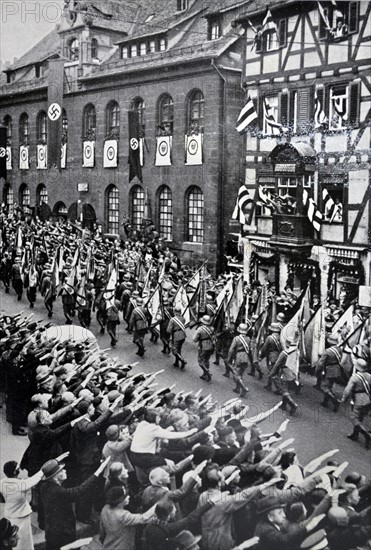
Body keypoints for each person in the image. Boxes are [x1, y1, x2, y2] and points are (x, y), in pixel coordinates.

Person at [39, 456, 110, 550]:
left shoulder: (44, 487)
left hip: (51, 532)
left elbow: (41, 510)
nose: (65, 471)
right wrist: (98, 471)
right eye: (61, 471)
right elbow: (79, 491)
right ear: (55, 477)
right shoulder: (58, 492)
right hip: (63, 534)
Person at [0, 461, 43, 550]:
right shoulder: (22, 484)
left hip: (10, 515)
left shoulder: (2, 483)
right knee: (24, 541)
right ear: (16, 472)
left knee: (12, 539)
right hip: (23, 516)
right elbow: (36, 478)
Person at [99, 486, 155, 550]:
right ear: (119, 500)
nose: (128, 497)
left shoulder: (105, 509)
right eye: (125, 496)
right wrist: (159, 503)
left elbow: (102, 534)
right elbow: (144, 518)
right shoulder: (123, 515)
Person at [341, 356, 371, 449]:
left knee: (354, 418)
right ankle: (355, 434)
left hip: (358, 399)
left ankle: (366, 434)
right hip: (368, 399)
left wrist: (343, 399)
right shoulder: (369, 376)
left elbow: (347, 390)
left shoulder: (354, 378)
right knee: (360, 417)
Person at [316, 335, 343, 413]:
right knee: (329, 386)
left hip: (329, 370)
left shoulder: (327, 351)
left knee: (324, 387)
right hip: (337, 369)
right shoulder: (339, 349)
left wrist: (317, 372)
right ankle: (325, 402)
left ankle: (335, 401)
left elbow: (320, 364)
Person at [227, 323, 252, 398]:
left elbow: (231, 349)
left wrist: (228, 359)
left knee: (236, 374)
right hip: (245, 357)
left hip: (239, 356)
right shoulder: (248, 339)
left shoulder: (236, 338)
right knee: (240, 373)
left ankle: (244, 388)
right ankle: (237, 388)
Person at [193, 315, 215, 382]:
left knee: (200, 361)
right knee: (206, 360)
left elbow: (194, 339)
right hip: (210, 346)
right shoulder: (212, 328)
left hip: (203, 346)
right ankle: (204, 374)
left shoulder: (200, 329)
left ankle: (207, 372)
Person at [167, 305, 187, 370]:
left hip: (176, 335)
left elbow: (168, 330)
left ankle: (182, 360)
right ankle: (176, 362)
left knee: (174, 350)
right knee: (179, 349)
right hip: (182, 335)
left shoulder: (172, 320)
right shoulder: (183, 318)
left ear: (175, 312)